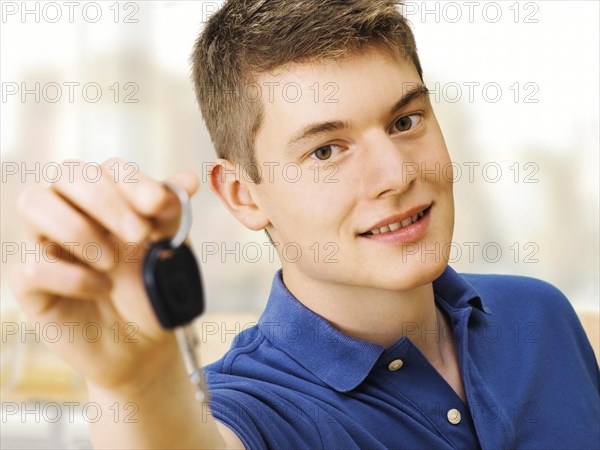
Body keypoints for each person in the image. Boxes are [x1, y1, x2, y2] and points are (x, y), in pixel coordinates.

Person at [11, 0, 599, 448]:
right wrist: (135, 386)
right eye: (326, 151)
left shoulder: (539, 314)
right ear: (243, 195)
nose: (395, 173)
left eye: (405, 121)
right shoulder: (254, 410)